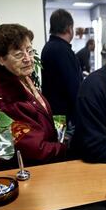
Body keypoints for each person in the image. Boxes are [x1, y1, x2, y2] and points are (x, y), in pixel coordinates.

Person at [0, 24, 66, 166]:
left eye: (29, 51)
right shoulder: (7, 99)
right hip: (33, 170)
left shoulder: (21, 77)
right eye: (18, 55)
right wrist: (68, 148)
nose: (28, 59)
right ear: (1, 59)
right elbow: (36, 150)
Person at [41, 9, 83, 140]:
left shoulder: (48, 47)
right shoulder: (63, 51)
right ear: (70, 28)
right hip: (65, 116)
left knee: (58, 147)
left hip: (54, 113)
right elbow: (73, 87)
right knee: (65, 150)